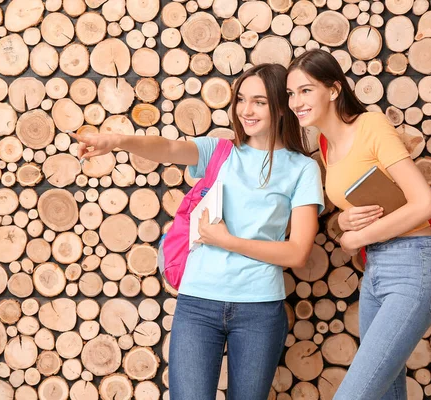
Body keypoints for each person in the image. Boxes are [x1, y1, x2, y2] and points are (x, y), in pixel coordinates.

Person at [71, 63, 324, 400]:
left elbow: (297, 253)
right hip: (197, 305)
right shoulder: (220, 152)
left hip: (260, 310)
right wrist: (116, 141)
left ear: (281, 107)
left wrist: (226, 241)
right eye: (242, 100)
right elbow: (168, 148)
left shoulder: (302, 169)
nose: (246, 110)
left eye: (259, 102)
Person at [286, 49, 431, 400]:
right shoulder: (326, 146)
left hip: (412, 265)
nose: (296, 101)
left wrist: (352, 240)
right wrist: (342, 222)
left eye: (306, 90)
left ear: (333, 89)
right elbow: (350, 210)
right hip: (375, 272)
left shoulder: (371, 125)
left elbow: (424, 203)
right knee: (388, 392)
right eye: (291, 93)